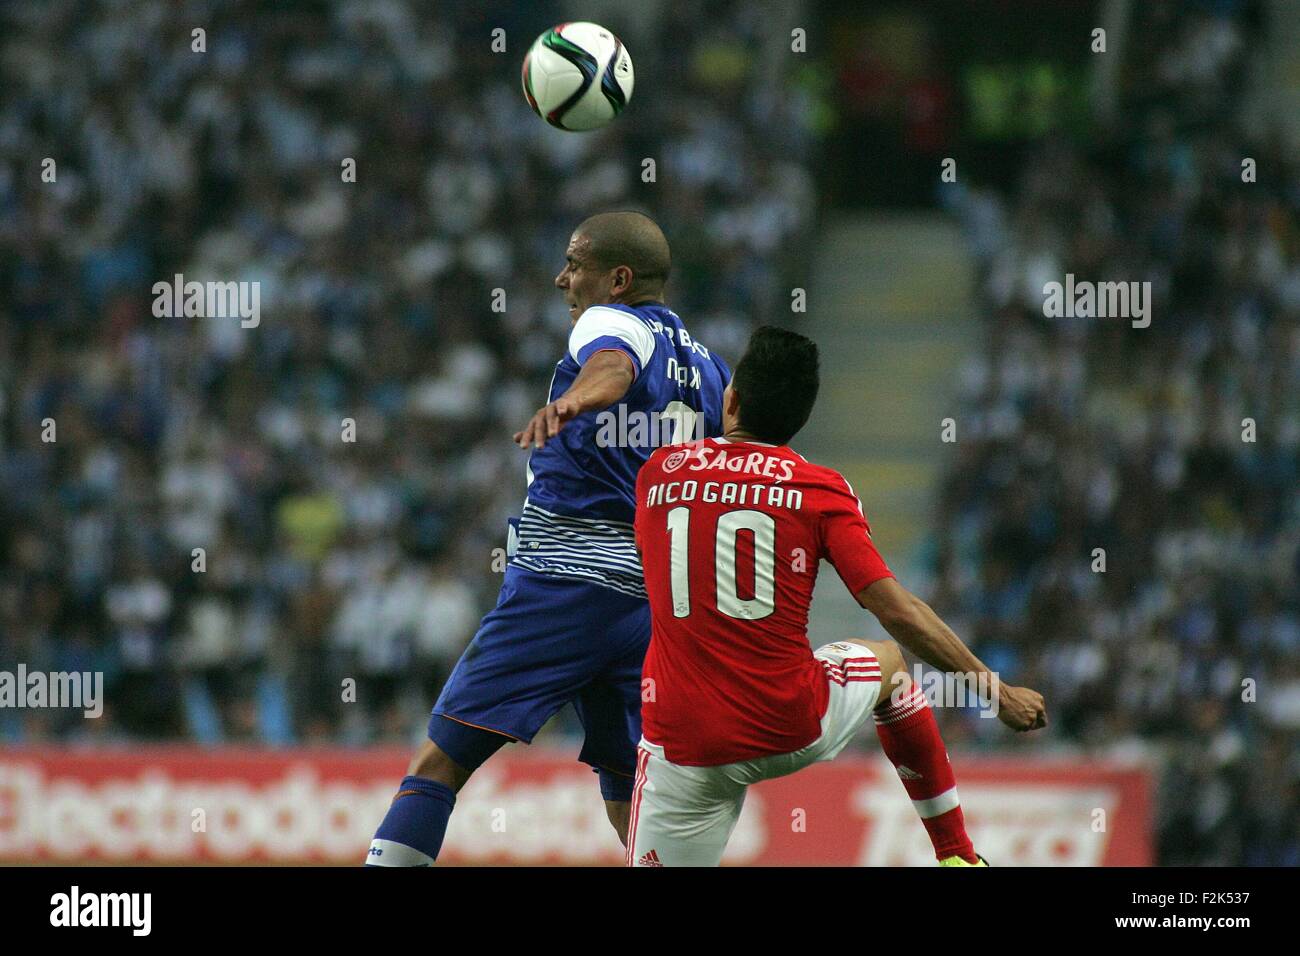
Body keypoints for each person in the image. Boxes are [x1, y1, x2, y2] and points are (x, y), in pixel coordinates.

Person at [366, 211, 731, 865]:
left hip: (566, 582)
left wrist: (572, 401)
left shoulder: (610, 321)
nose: (563, 278)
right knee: (629, 798)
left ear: (618, 279)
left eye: (575, 264)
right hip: (650, 605)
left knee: (438, 763)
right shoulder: (708, 368)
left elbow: (613, 367)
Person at [627, 326, 1047, 867]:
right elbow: (897, 611)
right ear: (802, 420)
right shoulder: (820, 489)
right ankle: (957, 855)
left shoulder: (658, 474)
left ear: (731, 401)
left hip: (683, 744)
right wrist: (996, 692)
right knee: (892, 665)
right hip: (788, 726)